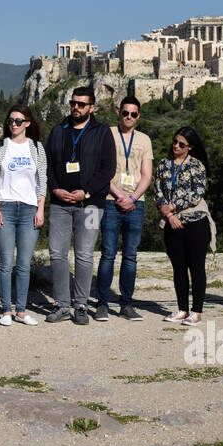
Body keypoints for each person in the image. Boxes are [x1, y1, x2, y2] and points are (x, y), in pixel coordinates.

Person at [44, 87, 115, 325]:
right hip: (59, 203)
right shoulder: (58, 131)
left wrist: (85, 191)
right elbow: (48, 165)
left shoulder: (102, 132)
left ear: (91, 108)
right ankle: (62, 305)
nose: (76, 107)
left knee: (84, 255)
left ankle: (81, 305)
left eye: (82, 104)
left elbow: (108, 169)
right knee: (57, 254)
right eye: (74, 103)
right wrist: (55, 189)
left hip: (92, 204)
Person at [95, 96, 153, 321]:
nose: (129, 117)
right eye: (125, 113)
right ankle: (102, 303)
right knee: (107, 254)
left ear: (138, 116)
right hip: (111, 200)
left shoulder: (144, 140)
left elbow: (147, 173)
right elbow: (101, 169)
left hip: (136, 203)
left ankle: (126, 304)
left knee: (130, 256)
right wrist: (120, 195)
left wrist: (134, 197)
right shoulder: (106, 134)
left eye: (133, 114)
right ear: (118, 112)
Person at [0, 105, 46, 326]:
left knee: (23, 264)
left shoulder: (37, 148)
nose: (13, 124)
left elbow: (42, 181)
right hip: (5, 207)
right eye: (11, 120)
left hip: (30, 208)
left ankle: (21, 311)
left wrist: (41, 208)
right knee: (5, 263)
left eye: (19, 121)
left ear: (28, 123)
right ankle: (5, 311)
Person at [156, 126, 214, 326]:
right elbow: (158, 191)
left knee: (197, 267)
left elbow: (197, 194)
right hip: (172, 222)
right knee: (178, 268)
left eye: (182, 144)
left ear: (190, 147)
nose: (176, 146)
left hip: (195, 222)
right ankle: (182, 309)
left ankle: (196, 312)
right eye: (175, 141)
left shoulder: (197, 166)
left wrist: (173, 206)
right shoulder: (163, 165)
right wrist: (168, 214)